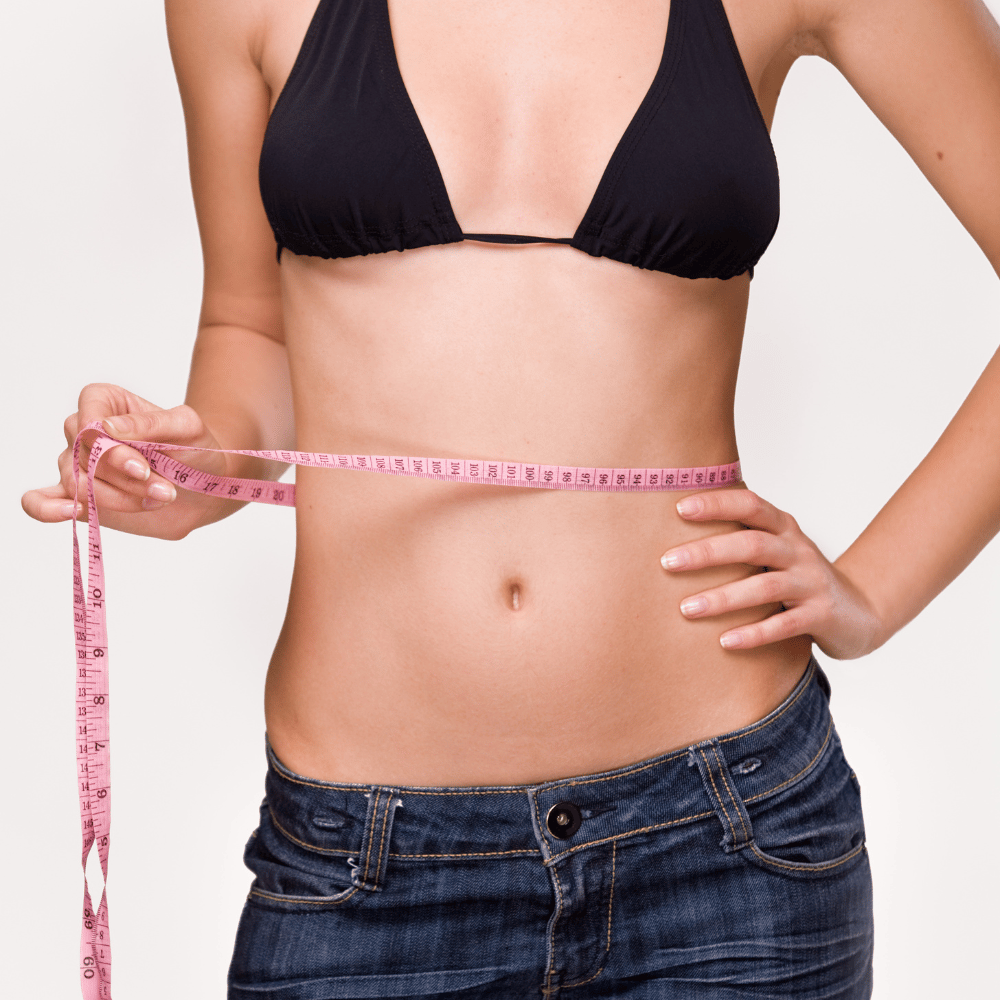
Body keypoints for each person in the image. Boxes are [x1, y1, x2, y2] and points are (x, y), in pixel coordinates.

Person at [20, 0, 1000, 996]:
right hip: (361, 858)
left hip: (726, 842)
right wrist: (188, 469)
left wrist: (874, 592)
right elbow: (250, 325)